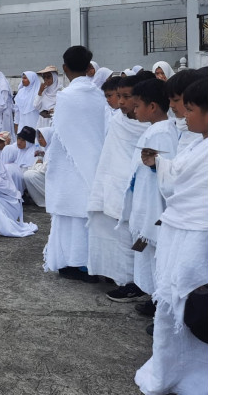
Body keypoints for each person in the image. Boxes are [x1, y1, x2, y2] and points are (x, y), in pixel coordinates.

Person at [134, 77, 207, 395]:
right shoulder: (201, 143)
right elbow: (177, 175)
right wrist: (159, 163)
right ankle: (174, 370)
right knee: (177, 309)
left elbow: (186, 187)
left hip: (199, 241)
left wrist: (162, 167)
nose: (184, 116)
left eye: (189, 109)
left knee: (191, 304)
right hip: (183, 235)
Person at [42, 46, 106, 282]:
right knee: (84, 216)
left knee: (69, 218)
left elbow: (59, 133)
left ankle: (71, 262)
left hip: (69, 164)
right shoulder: (99, 95)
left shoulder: (66, 97)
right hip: (93, 161)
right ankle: (89, 263)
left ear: (65, 68)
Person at [86, 72, 152, 299]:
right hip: (114, 184)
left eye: (127, 96)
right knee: (120, 236)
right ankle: (125, 278)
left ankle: (140, 283)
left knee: (141, 238)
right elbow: (111, 154)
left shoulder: (154, 127)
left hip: (141, 188)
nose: (121, 102)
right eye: (119, 97)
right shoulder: (118, 121)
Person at [119, 78, 179, 318]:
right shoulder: (155, 129)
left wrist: (156, 166)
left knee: (156, 255)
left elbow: (169, 168)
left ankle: (160, 302)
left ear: (152, 106)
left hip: (155, 204)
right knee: (147, 253)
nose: (134, 111)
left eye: (137, 106)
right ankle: (154, 297)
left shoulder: (163, 132)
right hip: (145, 200)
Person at [22, 127, 53, 208]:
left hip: (52, 179)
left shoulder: (52, 150)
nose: (39, 139)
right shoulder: (47, 149)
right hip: (48, 177)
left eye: (42, 137)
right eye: (38, 137)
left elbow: (45, 169)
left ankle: (49, 199)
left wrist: (38, 165)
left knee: (29, 175)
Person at [0, 70, 15, 135]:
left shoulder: (3, 87)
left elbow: (3, 101)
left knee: (6, 127)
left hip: (5, 110)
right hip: (1, 110)